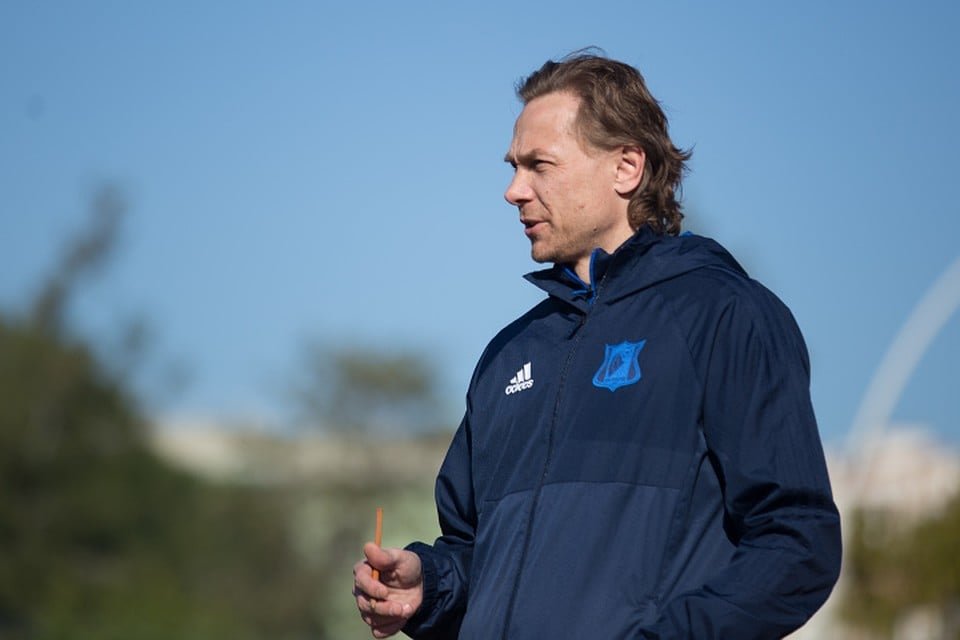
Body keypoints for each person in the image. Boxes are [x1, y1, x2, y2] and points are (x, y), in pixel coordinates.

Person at [353, 52, 842, 639]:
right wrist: (429, 586)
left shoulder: (724, 314)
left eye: (539, 165)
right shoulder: (510, 355)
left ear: (626, 167)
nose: (513, 191)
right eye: (514, 167)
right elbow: (478, 556)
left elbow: (797, 542)